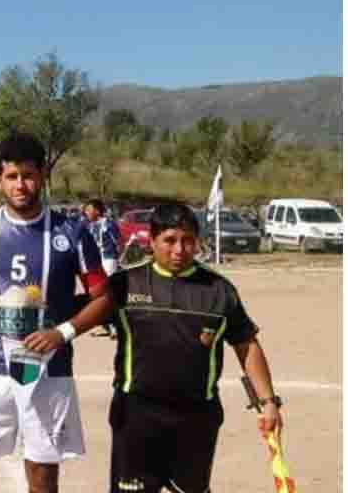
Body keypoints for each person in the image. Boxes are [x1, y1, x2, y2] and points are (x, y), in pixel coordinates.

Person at [0, 131, 112, 493]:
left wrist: (61, 332)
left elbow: (102, 297)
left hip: (49, 372)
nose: (21, 185)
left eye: (29, 175)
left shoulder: (72, 233)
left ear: (43, 175)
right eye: (12, 176)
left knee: (44, 478)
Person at [104, 202, 282, 493]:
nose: (179, 250)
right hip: (136, 416)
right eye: (170, 241)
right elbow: (82, 316)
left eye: (187, 241)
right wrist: (59, 330)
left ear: (197, 242)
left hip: (196, 418)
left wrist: (269, 401)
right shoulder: (125, 284)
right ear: (152, 241)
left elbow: (246, 344)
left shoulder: (218, 290)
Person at [83, 199, 122, 338]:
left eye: (89, 209)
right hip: (95, 263)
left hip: (108, 259)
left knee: (107, 294)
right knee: (96, 296)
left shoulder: (109, 224)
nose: (86, 212)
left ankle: (115, 326)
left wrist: (119, 260)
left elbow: (118, 243)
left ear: (98, 211)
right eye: (86, 210)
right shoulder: (88, 226)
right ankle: (105, 324)